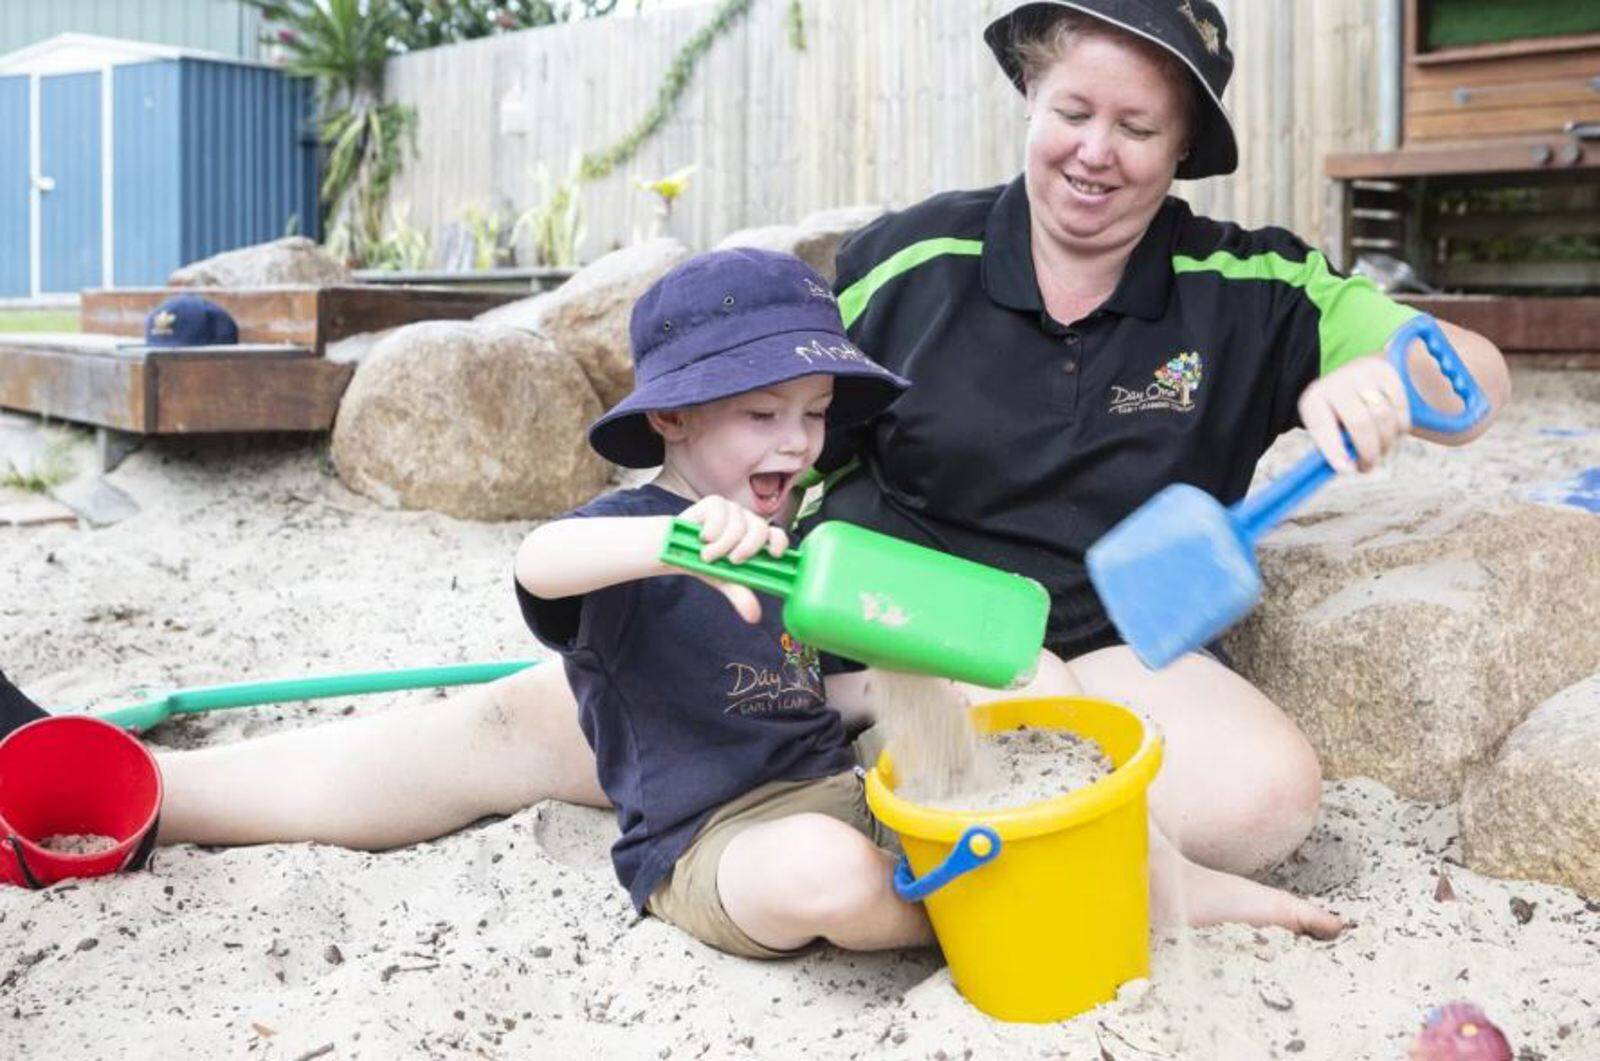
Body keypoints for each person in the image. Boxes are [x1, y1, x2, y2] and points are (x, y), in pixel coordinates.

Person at [154, 0, 1508, 941]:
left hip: (1094, 648)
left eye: (1138, 127)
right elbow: (743, 434)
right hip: (856, 623)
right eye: (1072, 109)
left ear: (1183, 146)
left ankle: (891, 798)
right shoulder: (912, 261)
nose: (1095, 151)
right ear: (1030, 97)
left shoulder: (1251, 284)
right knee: (512, 732)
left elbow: (1473, 382)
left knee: (1264, 795)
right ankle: (146, 788)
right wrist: (695, 579)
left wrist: (1377, 379)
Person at [514, 247, 936, 955]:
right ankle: (975, 922)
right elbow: (539, 561)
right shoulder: (631, 534)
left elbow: (784, 695)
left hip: (845, 788)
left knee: (1004, 700)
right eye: (763, 414)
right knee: (830, 871)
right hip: (716, 841)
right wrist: (675, 543)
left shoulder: (783, 538)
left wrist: (884, 687)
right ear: (673, 416)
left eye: (816, 413)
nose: (797, 442)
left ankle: (1002, 874)